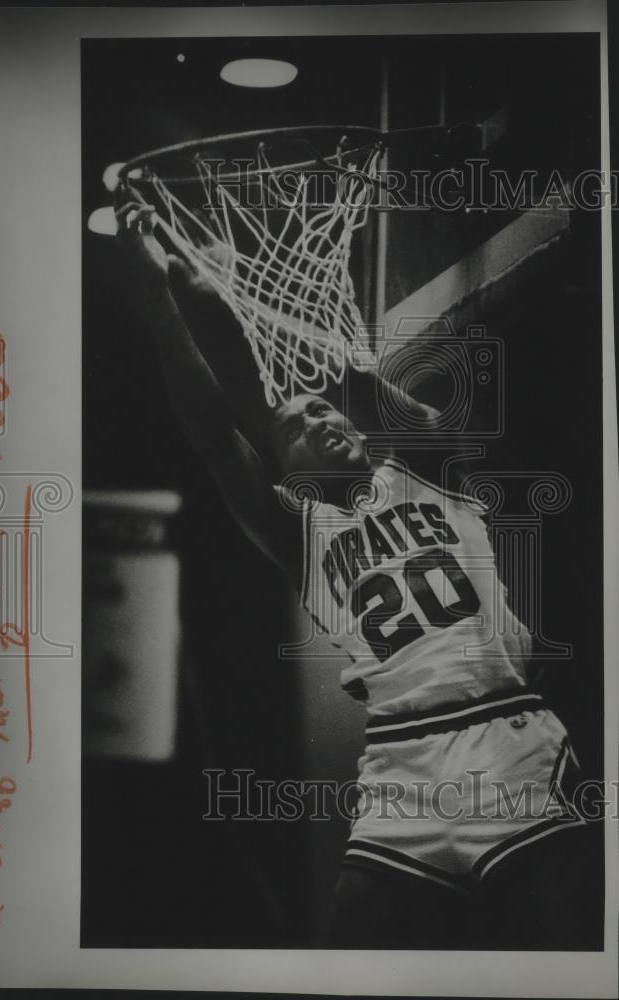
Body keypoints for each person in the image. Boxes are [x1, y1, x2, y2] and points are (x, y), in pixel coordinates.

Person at [113, 183, 601, 950]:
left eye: (323, 408)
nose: (317, 414)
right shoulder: (299, 533)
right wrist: (165, 288)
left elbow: (377, 395)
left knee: (569, 953)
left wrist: (268, 306)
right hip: (401, 765)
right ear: (282, 469)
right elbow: (214, 427)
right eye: (295, 424)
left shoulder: (430, 468)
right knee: (348, 962)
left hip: (506, 736)